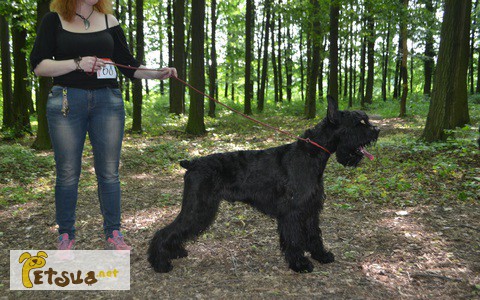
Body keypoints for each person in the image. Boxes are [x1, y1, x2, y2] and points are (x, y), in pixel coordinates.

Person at [29, 0, 177, 251]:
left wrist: (156, 73)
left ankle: (114, 233)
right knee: (67, 173)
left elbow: (129, 66)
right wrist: (77, 63)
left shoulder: (110, 20)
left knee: (109, 173)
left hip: (108, 101)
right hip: (66, 101)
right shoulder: (53, 20)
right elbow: (39, 66)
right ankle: (66, 235)